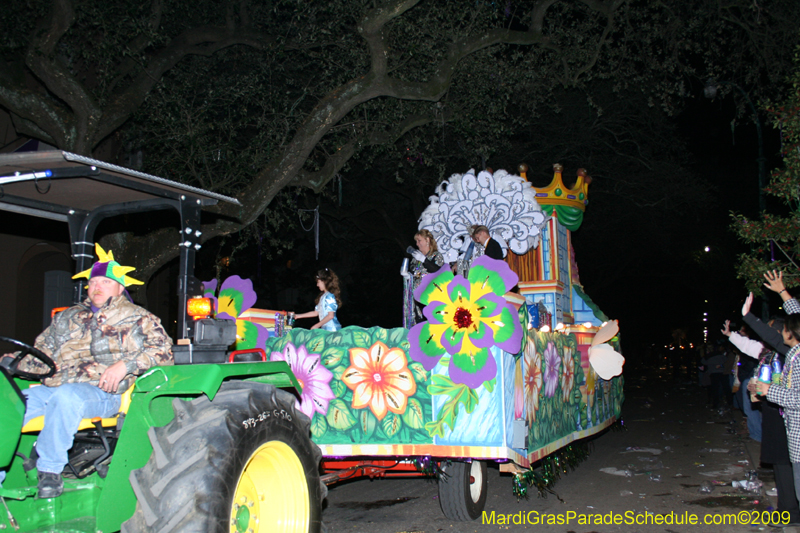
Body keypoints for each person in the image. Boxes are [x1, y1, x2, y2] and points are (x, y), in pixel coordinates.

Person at [6, 244, 173, 498]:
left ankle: (50, 471)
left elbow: (163, 353)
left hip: (103, 393)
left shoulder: (138, 318)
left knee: (67, 397)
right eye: (93, 281)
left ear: (119, 287)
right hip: (55, 387)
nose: (97, 287)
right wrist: (16, 361)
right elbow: (41, 354)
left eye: (105, 282)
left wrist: (125, 365)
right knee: (8, 402)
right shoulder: (67, 317)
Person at [722, 319, 762, 441]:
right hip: (746, 379)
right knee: (749, 409)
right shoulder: (753, 346)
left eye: (742, 330)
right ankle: (755, 433)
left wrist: (745, 378)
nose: (739, 331)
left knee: (751, 409)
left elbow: (750, 352)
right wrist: (730, 335)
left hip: (751, 379)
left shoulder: (768, 347)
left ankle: (757, 434)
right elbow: (747, 346)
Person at [402, 230, 444, 328]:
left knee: (429, 324)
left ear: (427, 240)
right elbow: (413, 274)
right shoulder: (415, 259)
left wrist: (424, 260)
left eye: (419, 240)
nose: (417, 244)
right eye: (416, 241)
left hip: (429, 297)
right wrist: (407, 275)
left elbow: (438, 272)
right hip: (416, 299)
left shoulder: (436, 256)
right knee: (417, 323)